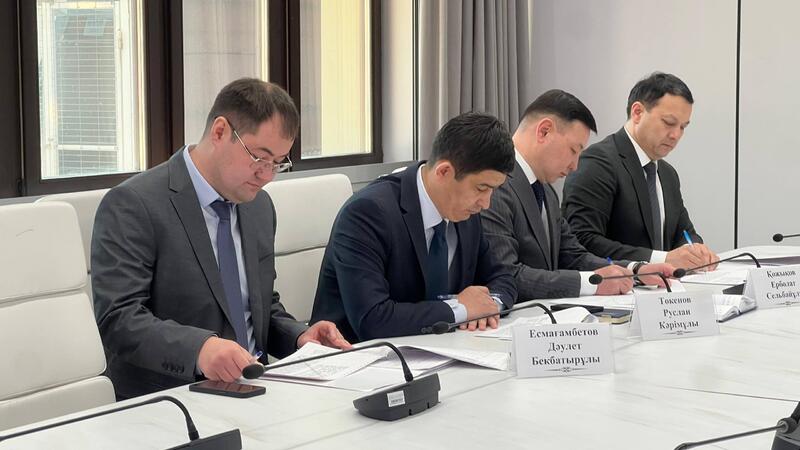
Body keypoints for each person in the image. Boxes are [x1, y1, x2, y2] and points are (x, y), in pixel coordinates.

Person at [92, 78, 350, 399]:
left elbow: (258, 307)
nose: (266, 176)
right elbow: (119, 319)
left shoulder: (258, 206)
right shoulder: (134, 204)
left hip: (259, 389)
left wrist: (299, 337)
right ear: (219, 132)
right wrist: (200, 349)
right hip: (174, 399)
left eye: (278, 163)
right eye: (260, 158)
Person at [310, 112, 517, 343]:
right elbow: (373, 320)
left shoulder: (465, 212)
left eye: (493, 190)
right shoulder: (368, 213)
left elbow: (502, 277)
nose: (486, 203)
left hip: (446, 349)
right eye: (481, 188)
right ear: (444, 172)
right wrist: (461, 309)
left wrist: (489, 305)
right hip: (361, 356)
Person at [481, 90, 674, 301]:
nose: (574, 166)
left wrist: (634, 270)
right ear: (544, 131)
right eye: (573, 150)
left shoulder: (546, 191)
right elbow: (507, 275)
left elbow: (573, 255)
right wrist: (592, 283)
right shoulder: (492, 186)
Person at [562, 72, 718, 270]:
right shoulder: (597, 163)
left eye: (683, 127)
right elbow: (583, 240)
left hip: (666, 286)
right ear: (637, 113)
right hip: (617, 285)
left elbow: (684, 232)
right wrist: (662, 259)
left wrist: (694, 250)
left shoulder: (667, 174)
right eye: (669, 123)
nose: (676, 135)